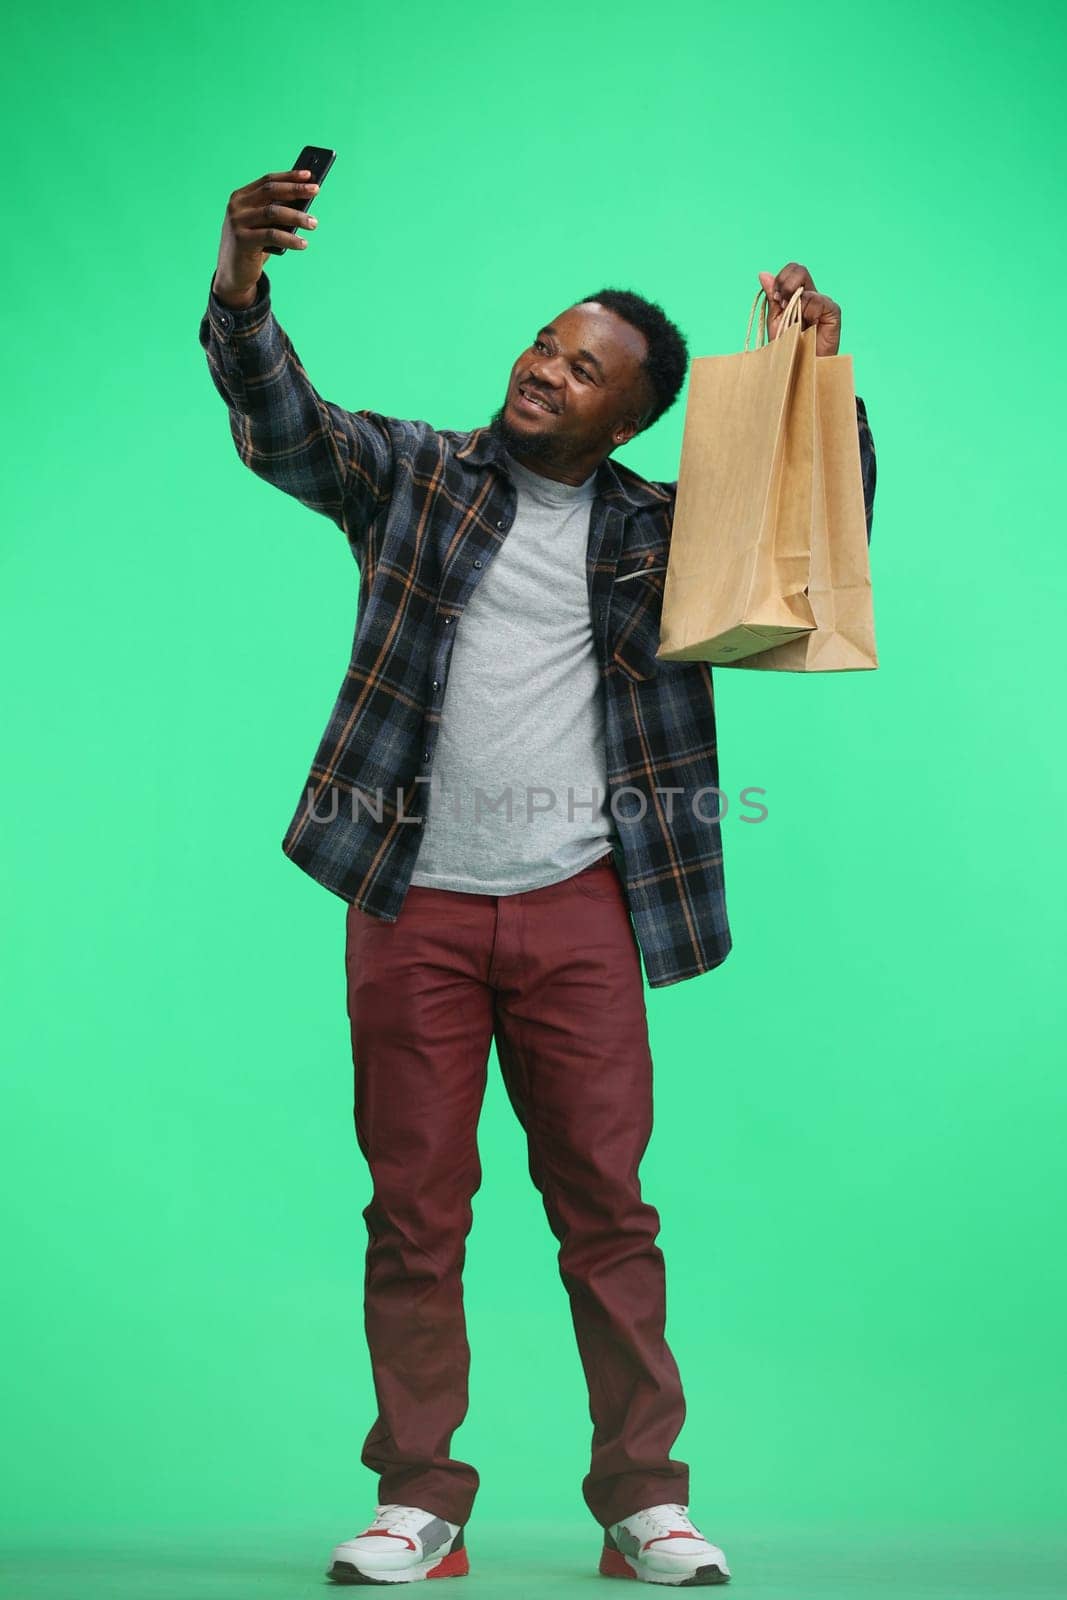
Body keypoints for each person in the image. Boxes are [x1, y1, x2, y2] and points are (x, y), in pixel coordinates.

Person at [199, 166, 877, 1589]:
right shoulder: (417, 477)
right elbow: (282, 427)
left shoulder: (656, 531)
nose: (544, 373)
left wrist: (817, 370)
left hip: (580, 906)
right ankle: (418, 1506)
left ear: (629, 417)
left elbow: (826, 511)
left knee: (608, 1214)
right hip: (414, 907)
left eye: (583, 372)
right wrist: (242, 283)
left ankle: (645, 1503)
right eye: (543, 347)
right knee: (414, 1210)